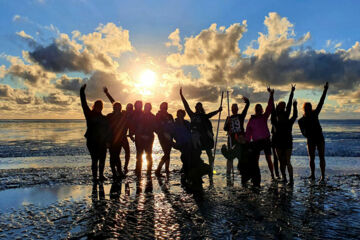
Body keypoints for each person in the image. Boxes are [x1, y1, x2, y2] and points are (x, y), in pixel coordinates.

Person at [179, 87, 222, 172]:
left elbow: (210, 114)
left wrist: (218, 111)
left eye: (200, 107)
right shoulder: (192, 115)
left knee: (209, 153)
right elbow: (186, 106)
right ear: (195, 107)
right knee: (194, 152)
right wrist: (181, 95)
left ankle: (211, 168)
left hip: (204, 137)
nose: (198, 108)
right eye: (197, 107)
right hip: (195, 137)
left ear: (201, 108)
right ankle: (191, 166)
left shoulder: (203, 116)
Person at [298, 82, 329, 182]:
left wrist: (325, 90)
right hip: (311, 139)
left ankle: (322, 176)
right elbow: (303, 132)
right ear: (304, 109)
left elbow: (321, 102)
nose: (308, 109)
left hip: (319, 138)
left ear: (310, 108)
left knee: (320, 157)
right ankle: (313, 174)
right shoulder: (301, 120)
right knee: (312, 158)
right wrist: (307, 135)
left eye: (309, 107)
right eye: (307, 108)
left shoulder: (314, 113)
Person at [80, 84, 109, 182]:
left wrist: (108, 141)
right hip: (92, 141)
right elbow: (84, 104)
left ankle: (101, 175)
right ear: (94, 106)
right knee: (94, 159)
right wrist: (82, 92)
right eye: (97, 106)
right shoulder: (89, 115)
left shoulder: (104, 118)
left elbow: (108, 130)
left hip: (102, 142)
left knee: (103, 159)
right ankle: (94, 177)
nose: (99, 107)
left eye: (100, 106)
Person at [245, 87, 275, 180]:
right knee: (255, 160)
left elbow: (269, 107)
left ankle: (272, 175)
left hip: (266, 141)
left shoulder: (264, 116)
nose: (258, 109)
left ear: (261, 109)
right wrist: (247, 142)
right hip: (256, 142)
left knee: (268, 159)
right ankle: (255, 175)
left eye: (259, 108)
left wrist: (271, 95)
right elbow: (248, 131)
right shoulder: (252, 119)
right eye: (257, 108)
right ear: (255, 110)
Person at [271, 84, 297, 186]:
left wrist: (292, 92)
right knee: (281, 162)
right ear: (278, 107)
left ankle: (290, 179)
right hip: (278, 141)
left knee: (287, 161)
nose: (283, 107)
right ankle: (285, 178)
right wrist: (271, 95)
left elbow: (292, 110)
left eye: (283, 106)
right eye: (280, 105)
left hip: (287, 141)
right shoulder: (275, 118)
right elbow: (272, 107)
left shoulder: (287, 118)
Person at [103, 87, 129, 180]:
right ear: (113, 108)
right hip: (111, 139)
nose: (117, 108)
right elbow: (105, 129)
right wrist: (107, 94)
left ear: (120, 108)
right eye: (115, 107)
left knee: (116, 156)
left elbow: (114, 102)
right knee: (112, 156)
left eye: (119, 107)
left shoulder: (123, 116)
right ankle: (114, 172)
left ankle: (119, 171)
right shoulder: (109, 116)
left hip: (120, 139)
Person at [223, 97, 250, 174]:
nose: (234, 109)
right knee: (230, 156)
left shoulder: (240, 116)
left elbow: (246, 110)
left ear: (237, 109)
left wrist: (247, 102)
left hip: (240, 139)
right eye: (233, 108)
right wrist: (228, 123)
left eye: (235, 108)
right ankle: (228, 172)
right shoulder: (229, 118)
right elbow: (225, 128)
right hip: (231, 139)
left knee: (241, 156)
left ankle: (242, 170)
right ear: (231, 109)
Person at [130, 102, 157, 176]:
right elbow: (134, 125)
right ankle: (138, 171)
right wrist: (131, 134)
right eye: (146, 107)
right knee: (139, 155)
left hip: (149, 138)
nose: (147, 109)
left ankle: (148, 171)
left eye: (148, 107)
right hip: (139, 138)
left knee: (148, 155)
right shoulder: (139, 116)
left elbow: (155, 128)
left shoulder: (153, 117)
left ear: (150, 108)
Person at [155, 102, 174, 176]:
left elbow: (173, 125)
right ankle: (158, 170)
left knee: (168, 153)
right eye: (163, 107)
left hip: (170, 136)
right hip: (162, 136)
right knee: (166, 153)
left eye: (165, 107)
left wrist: (172, 135)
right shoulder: (158, 115)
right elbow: (156, 127)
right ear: (160, 107)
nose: (164, 108)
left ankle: (167, 169)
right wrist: (161, 133)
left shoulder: (170, 115)